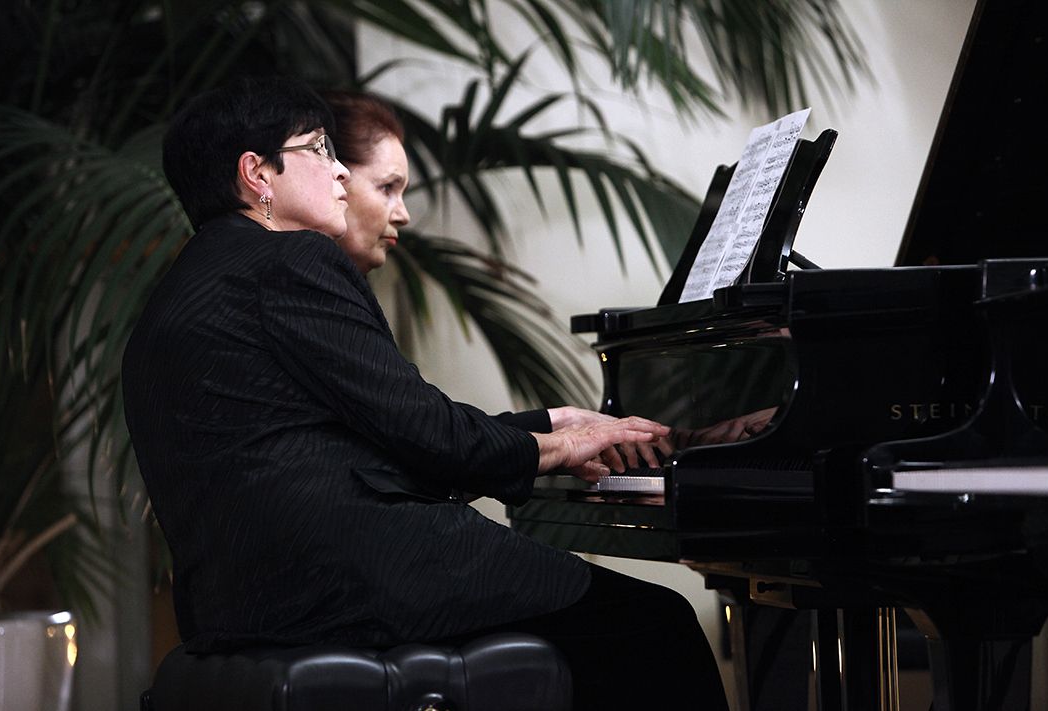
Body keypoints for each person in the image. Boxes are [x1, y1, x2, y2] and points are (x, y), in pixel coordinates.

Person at [122, 77, 728, 710]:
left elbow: (367, 445)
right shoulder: (290, 260)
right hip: (353, 575)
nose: (339, 171)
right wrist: (559, 446)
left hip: (239, 604)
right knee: (655, 624)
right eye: (320, 148)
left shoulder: (181, 294)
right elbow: (428, 436)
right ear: (257, 174)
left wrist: (547, 425)